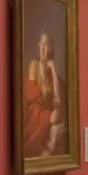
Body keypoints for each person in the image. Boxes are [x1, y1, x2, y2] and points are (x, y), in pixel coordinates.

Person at [21, 27, 65, 157]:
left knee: (58, 115)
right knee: (56, 116)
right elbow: (32, 96)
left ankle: (50, 145)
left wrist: (53, 70)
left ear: (50, 49)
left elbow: (58, 102)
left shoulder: (53, 76)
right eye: (41, 44)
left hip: (46, 111)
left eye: (45, 45)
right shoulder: (34, 65)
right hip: (35, 111)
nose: (42, 47)